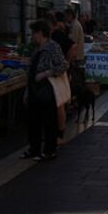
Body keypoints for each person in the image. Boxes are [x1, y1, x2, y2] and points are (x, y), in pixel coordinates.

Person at [22, 20, 68, 161]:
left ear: (40, 33)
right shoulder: (38, 49)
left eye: (33, 33)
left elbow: (63, 65)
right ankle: (34, 149)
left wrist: (46, 73)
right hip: (35, 90)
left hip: (47, 89)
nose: (32, 36)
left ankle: (49, 151)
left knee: (48, 121)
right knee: (33, 121)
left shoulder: (53, 47)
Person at [49, 13, 74, 139]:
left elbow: (72, 45)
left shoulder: (55, 38)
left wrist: (66, 63)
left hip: (58, 73)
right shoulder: (54, 36)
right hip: (59, 71)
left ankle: (60, 133)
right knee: (60, 103)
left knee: (59, 103)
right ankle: (59, 131)